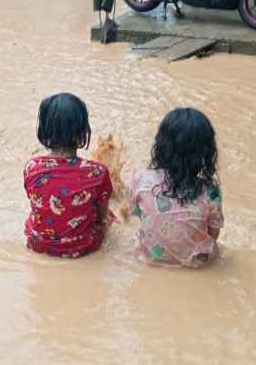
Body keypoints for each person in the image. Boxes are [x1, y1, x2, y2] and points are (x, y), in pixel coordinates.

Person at [127, 107, 223, 267]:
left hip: (150, 259)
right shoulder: (211, 190)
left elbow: (136, 213)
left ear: (161, 145)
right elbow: (214, 233)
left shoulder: (141, 179)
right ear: (206, 151)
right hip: (195, 263)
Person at [23, 93, 114, 258]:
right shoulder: (98, 172)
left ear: (44, 130)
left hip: (38, 244)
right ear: (83, 131)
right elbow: (101, 219)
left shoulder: (31, 167)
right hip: (82, 247)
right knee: (111, 217)